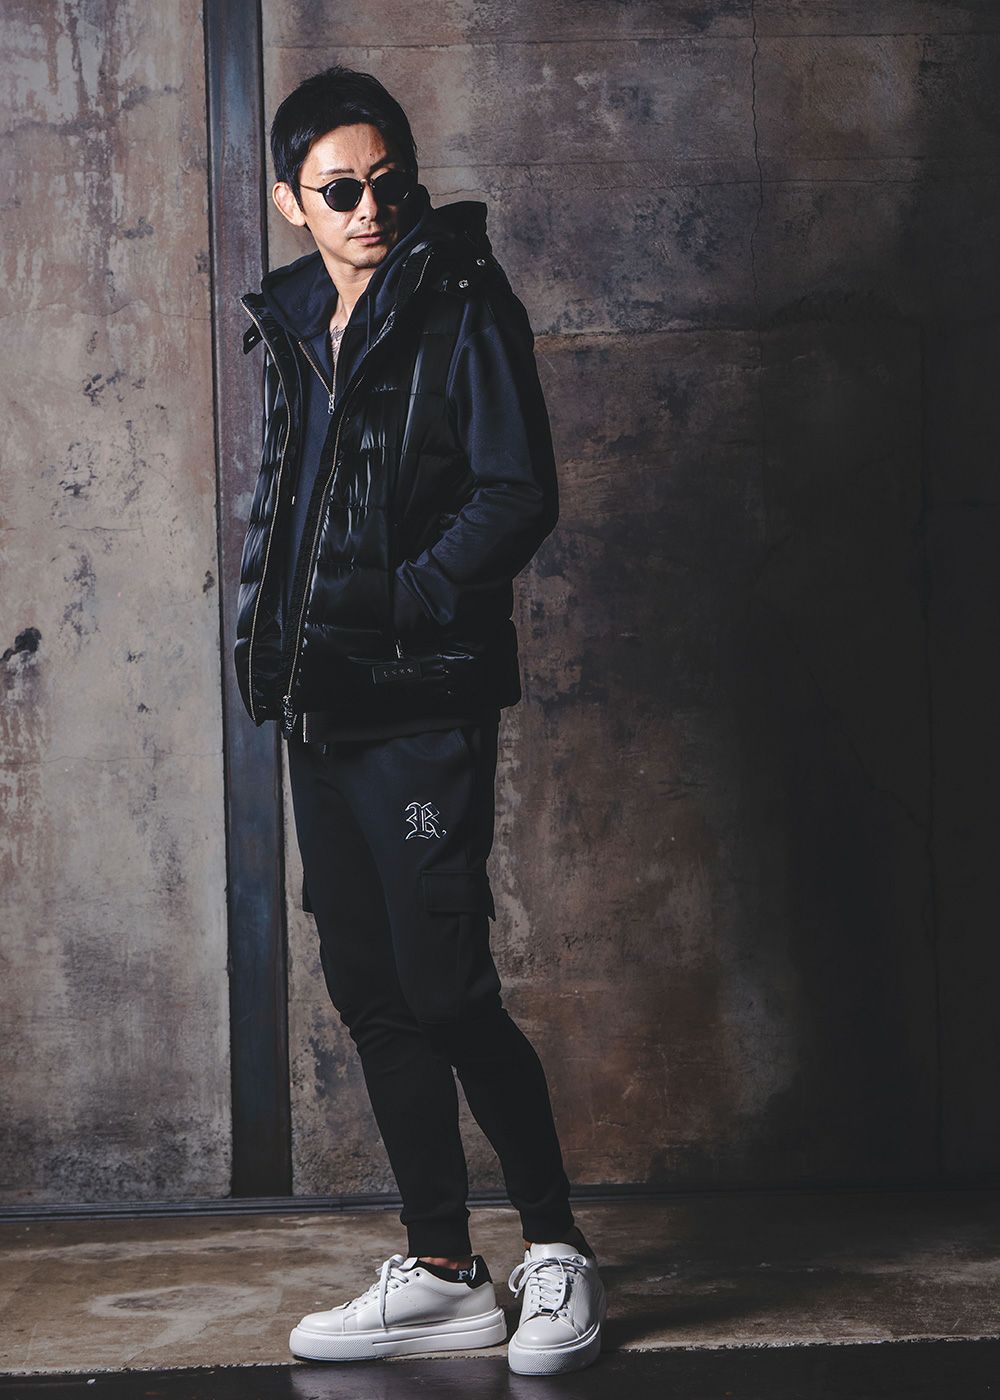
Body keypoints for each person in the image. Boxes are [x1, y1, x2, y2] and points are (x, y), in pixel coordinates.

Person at [234, 64, 606, 1375]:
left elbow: (517, 492)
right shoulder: (296, 318)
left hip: (422, 706)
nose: (371, 210)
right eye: (339, 191)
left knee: (445, 987)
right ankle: (445, 1269)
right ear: (292, 203)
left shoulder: (462, 301)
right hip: (318, 709)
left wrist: (408, 601)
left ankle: (556, 1248)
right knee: (372, 991)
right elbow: (298, 504)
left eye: (388, 183)